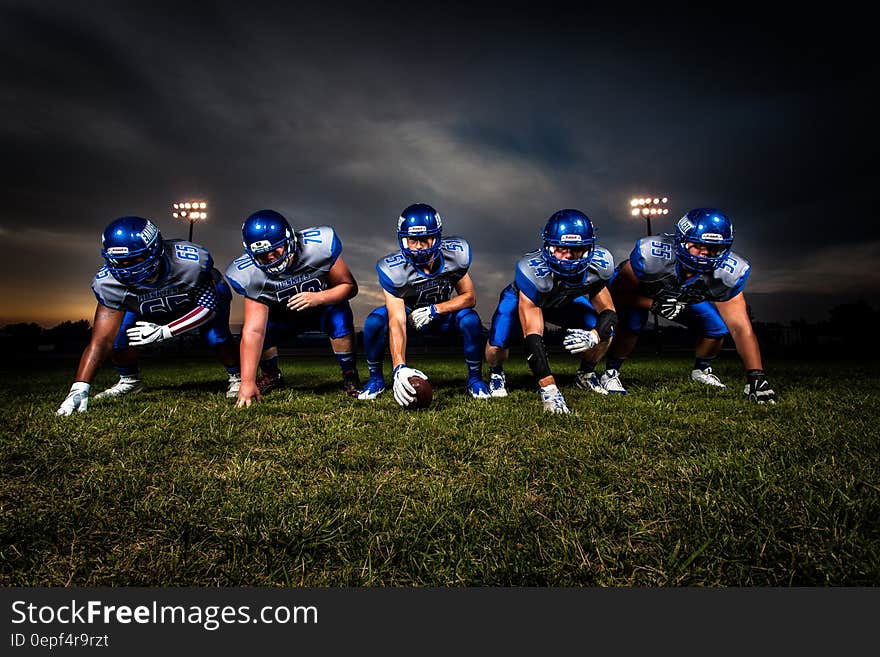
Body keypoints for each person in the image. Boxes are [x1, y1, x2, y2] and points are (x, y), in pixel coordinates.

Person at [55, 216, 241, 416]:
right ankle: (130, 380)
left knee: (216, 337)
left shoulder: (190, 263)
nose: (127, 268)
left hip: (196, 300)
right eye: (119, 261)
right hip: (147, 307)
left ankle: (237, 376)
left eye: (135, 259)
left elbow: (208, 308)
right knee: (118, 339)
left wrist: (165, 331)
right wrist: (80, 387)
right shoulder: (108, 284)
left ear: (156, 249)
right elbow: (101, 342)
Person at [602, 208, 777, 403]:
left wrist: (756, 376)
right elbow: (617, 294)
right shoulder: (652, 256)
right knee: (632, 324)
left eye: (714, 248)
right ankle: (610, 372)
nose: (705, 253)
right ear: (681, 241)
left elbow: (741, 328)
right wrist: (654, 304)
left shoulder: (728, 274)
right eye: (698, 245)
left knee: (716, 328)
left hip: (683, 296)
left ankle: (701, 370)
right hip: (642, 293)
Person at [484, 209, 617, 413]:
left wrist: (595, 334)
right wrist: (550, 389)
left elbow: (609, 312)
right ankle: (496, 372)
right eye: (560, 248)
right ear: (548, 247)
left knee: (606, 331)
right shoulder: (531, 272)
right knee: (497, 343)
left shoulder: (600, 265)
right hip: (527, 298)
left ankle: (586, 374)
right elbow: (533, 336)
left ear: (589, 248)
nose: (568, 256)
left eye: (576, 249)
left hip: (564, 301)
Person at [357, 203, 490, 406]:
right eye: (412, 240)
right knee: (375, 321)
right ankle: (376, 379)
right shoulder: (393, 270)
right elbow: (397, 319)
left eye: (424, 240)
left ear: (436, 238)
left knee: (470, 319)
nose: (418, 246)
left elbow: (469, 297)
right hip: (409, 316)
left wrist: (436, 309)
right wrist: (399, 367)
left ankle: (475, 379)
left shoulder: (454, 256)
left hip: (442, 315)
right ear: (403, 240)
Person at [226, 209, 361, 408]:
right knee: (261, 331)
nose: (271, 258)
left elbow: (349, 287)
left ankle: (349, 374)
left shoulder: (319, 247)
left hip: (322, 308)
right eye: (263, 255)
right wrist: (247, 382)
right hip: (284, 316)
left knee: (340, 316)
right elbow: (254, 330)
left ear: (289, 240)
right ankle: (271, 375)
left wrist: (319, 297)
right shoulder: (248, 274)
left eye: (276, 250)